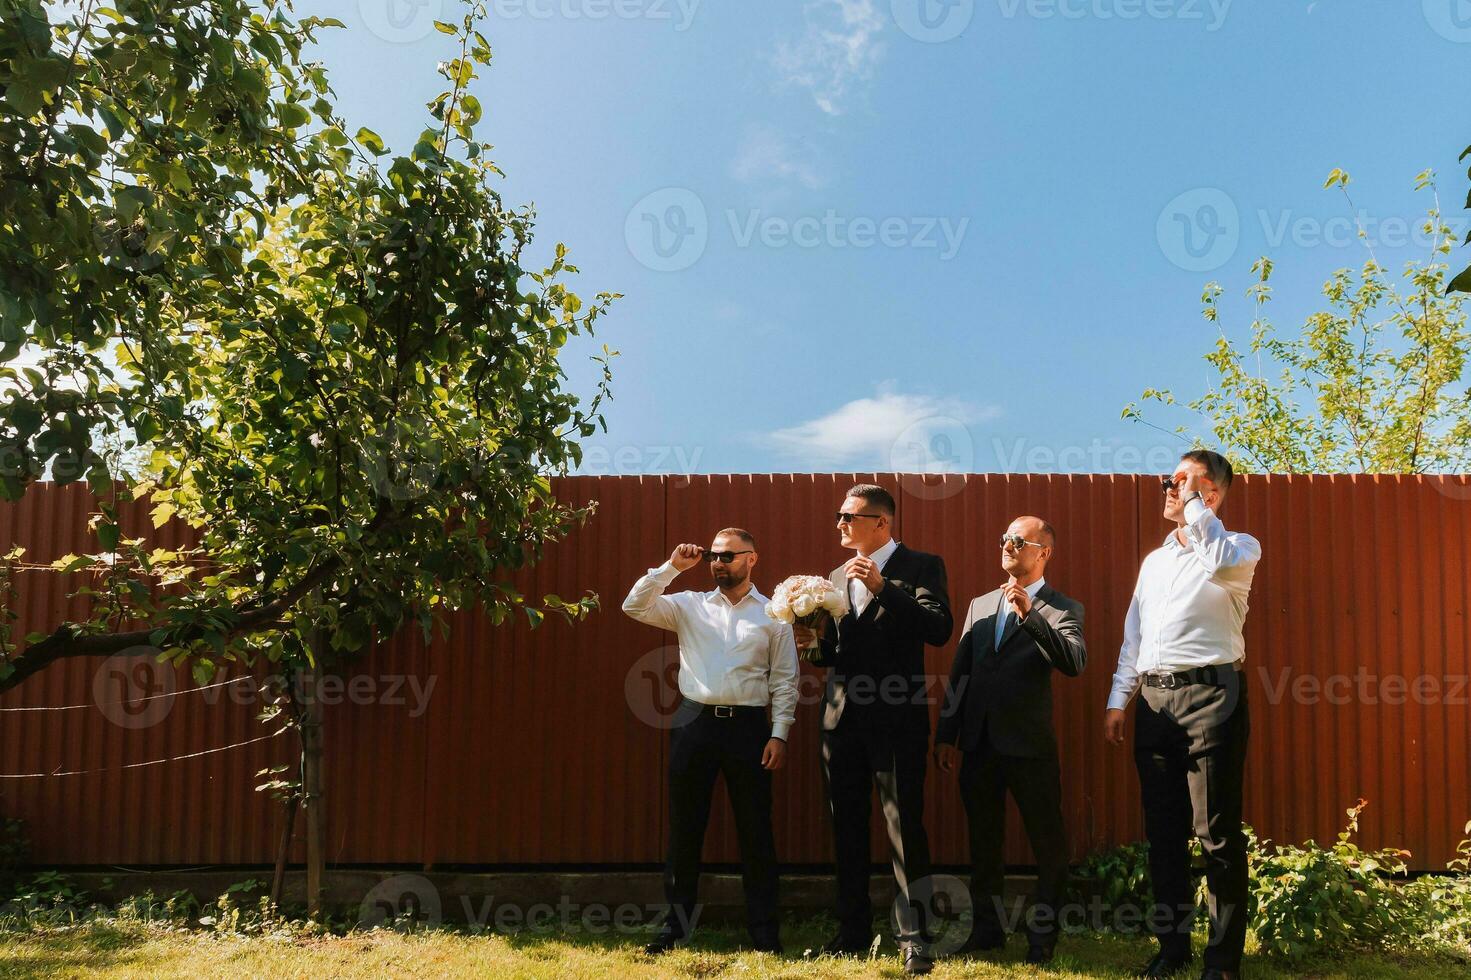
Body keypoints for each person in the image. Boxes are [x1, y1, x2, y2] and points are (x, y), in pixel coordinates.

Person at [1104, 450, 1260, 980]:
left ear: (1210, 494)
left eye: (1179, 481)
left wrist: (1194, 505)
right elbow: (1135, 636)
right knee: (1164, 834)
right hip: (1154, 703)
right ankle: (1172, 950)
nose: (1166, 489)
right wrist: (1117, 700)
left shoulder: (1238, 548)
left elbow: (1215, 559)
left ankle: (1222, 963)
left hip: (1213, 699)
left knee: (1215, 833)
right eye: (1167, 481)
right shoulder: (1154, 561)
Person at [793, 484, 953, 976]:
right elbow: (838, 654)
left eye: (849, 516)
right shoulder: (837, 575)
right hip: (840, 721)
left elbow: (939, 628)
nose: (839, 523)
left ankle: (914, 939)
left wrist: (885, 588)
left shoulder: (922, 565)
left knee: (904, 827)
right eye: (839, 516)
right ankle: (853, 930)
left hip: (896, 719)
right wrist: (812, 645)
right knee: (846, 826)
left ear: (881, 523)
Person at [622, 528, 799, 955]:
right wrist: (671, 569)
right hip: (694, 723)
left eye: (727, 556)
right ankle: (675, 929)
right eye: (712, 557)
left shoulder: (774, 614)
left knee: (756, 830)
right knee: (685, 828)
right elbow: (634, 605)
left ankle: (763, 932)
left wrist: (779, 734)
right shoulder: (689, 606)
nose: (718, 563)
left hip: (750, 728)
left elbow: (785, 680)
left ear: (751, 559)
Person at [935, 515, 1086, 965]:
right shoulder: (981, 604)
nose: (1009, 545)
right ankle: (987, 931)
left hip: (1029, 747)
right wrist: (947, 734)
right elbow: (961, 672)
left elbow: (1074, 662)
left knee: (1047, 844)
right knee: (984, 844)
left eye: (1020, 541)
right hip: (979, 744)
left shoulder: (1062, 607)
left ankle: (1042, 939)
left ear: (1044, 552)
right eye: (1005, 538)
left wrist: (1030, 615)